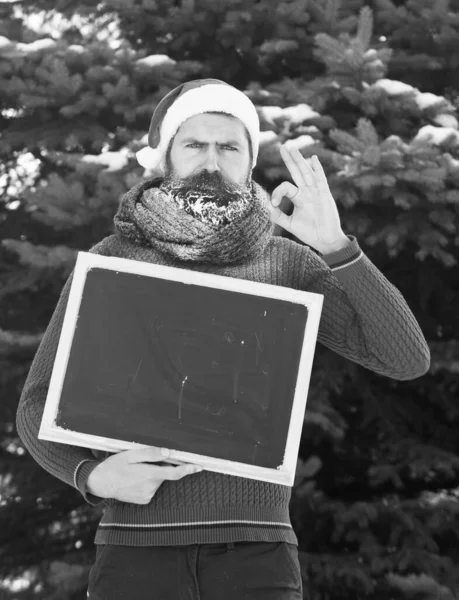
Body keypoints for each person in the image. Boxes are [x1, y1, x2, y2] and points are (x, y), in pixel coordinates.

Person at [16, 78, 431, 600]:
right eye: (194, 144)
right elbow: (36, 406)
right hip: (134, 551)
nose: (212, 160)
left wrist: (335, 246)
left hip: (257, 556)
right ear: (165, 157)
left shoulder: (289, 263)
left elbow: (406, 358)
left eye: (229, 146)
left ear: (248, 165)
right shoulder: (113, 260)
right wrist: (90, 477)